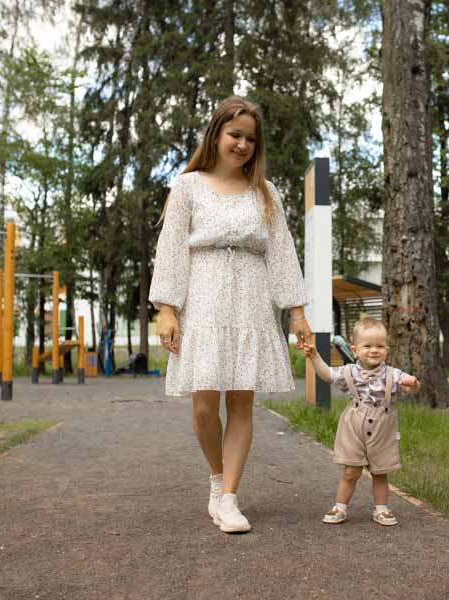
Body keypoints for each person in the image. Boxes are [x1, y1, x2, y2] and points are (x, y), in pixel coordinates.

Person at [149, 96, 313, 534]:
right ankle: (216, 478)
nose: (242, 145)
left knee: (242, 402)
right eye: (235, 135)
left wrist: (297, 313)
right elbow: (171, 248)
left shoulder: (265, 192)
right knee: (204, 405)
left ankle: (229, 497)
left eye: (250, 139)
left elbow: (282, 253)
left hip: (251, 299)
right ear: (216, 134)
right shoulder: (188, 187)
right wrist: (167, 309)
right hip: (202, 298)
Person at [300, 317, 420, 526]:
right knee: (351, 471)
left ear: (387, 349)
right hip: (354, 425)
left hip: (383, 426)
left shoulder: (393, 374)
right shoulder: (349, 372)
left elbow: (411, 388)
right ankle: (340, 507)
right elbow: (327, 375)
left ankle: (381, 509)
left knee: (380, 471)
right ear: (355, 349)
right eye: (368, 346)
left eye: (380, 346)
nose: (374, 350)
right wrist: (315, 357)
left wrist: (413, 383)